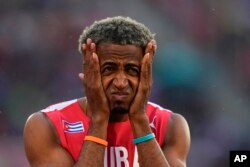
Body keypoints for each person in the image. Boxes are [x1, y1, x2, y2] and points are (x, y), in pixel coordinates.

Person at [23, 16, 190, 167]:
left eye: (132, 70)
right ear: (89, 70)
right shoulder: (47, 125)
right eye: (109, 69)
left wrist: (139, 119)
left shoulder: (170, 126)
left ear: (146, 73)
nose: (120, 82)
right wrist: (99, 119)